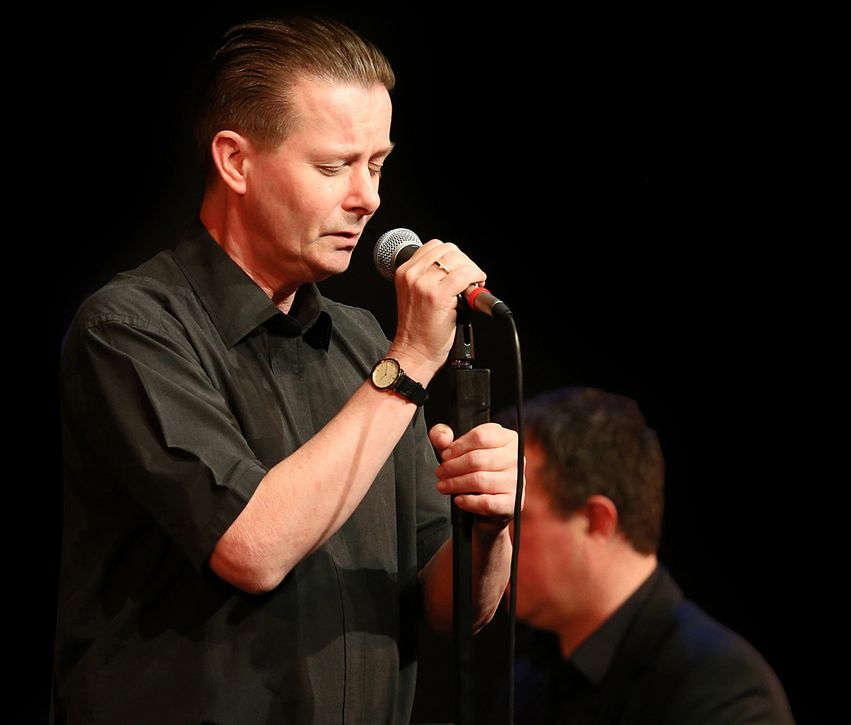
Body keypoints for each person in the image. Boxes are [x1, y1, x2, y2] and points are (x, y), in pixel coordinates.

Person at [53, 15, 518, 724]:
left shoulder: (363, 344)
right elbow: (251, 548)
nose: (368, 197)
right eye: (333, 167)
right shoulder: (131, 329)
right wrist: (411, 362)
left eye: (377, 164)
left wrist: (488, 530)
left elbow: (445, 606)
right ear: (235, 162)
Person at [501, 386, 795, 724]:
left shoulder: (723, 686)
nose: (495, 540)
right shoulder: (534, 669)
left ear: (597, 521)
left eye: (515, 518)